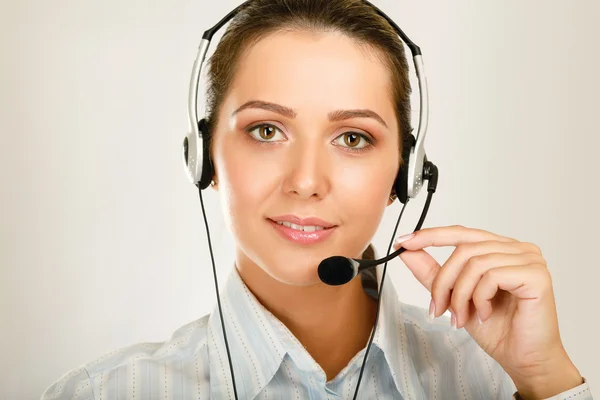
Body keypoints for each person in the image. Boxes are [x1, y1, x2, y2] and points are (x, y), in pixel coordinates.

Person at [42, 0, 593, 399]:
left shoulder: (499, 384)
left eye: (353, 138)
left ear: (407, 173)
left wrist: (545, 377)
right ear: (204, 158)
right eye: (265, 131)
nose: (306, 180)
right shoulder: (101, 393)